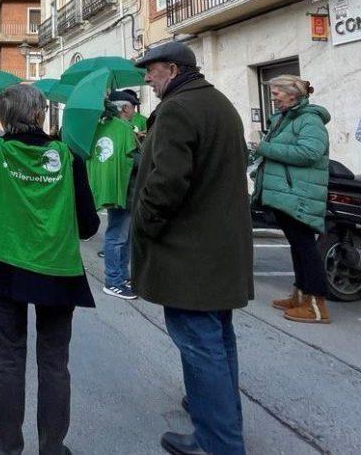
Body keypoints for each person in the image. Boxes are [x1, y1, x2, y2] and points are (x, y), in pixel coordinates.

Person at [131, 41, 253, 455]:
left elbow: (167, 183)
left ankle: (219, 443)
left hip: (190, 255)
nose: (147, 78)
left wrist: (144, 225)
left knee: (202, 349)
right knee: (218, 344)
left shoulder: (179, 109)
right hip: (217, 251)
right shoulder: (218, 103)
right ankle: (220, 427)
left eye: (151, 70)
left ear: (172, 69)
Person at [0, 84, 100, 455]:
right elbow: (89, 225)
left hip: (4, 269)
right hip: (58, 272)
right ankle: (53, 448)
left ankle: (7, 448)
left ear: (4, 118)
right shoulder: (68, 156)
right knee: (55, 362)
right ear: (40, 114)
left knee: (9, 360)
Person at [252, 75, 331, 324]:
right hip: (288, 192)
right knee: (298, 246)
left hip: (299, 193)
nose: (273, 98)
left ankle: (317, 306)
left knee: (306, 247)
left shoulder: (309, 119)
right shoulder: (286, 119)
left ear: (292, 94)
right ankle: (301, 295)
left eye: (276, 93)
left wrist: (264, 148)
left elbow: (310, 152)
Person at [87, 91, 140, 300]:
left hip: (112, 187)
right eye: (133, 108)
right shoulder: (123, 129)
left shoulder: (101, 128)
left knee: (122, 236)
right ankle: (114, 280)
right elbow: (135, 160)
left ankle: (121, 276)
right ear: (125, 108)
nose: (134, 113)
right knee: (118, 236)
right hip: (125, 189)